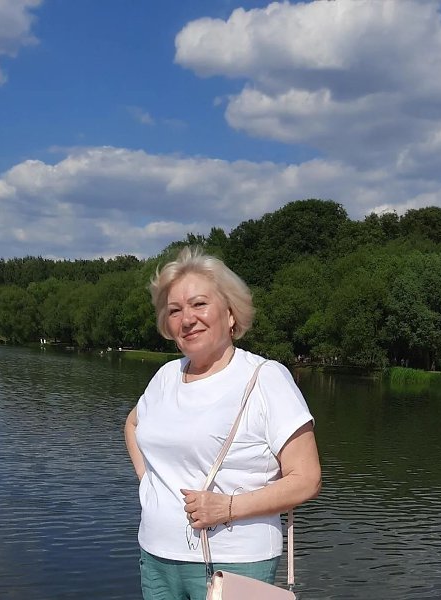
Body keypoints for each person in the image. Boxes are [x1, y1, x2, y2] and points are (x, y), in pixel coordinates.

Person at [124, 246, 321, 600]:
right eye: (174, 310)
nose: (187, 319)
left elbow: (307, 479)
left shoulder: (265, 378)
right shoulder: (166, 376)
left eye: (199, 304)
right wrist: (150, 485)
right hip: (155, 557)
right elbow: (133, 425)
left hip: (235, 563)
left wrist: (228, 507)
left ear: (231, 313)